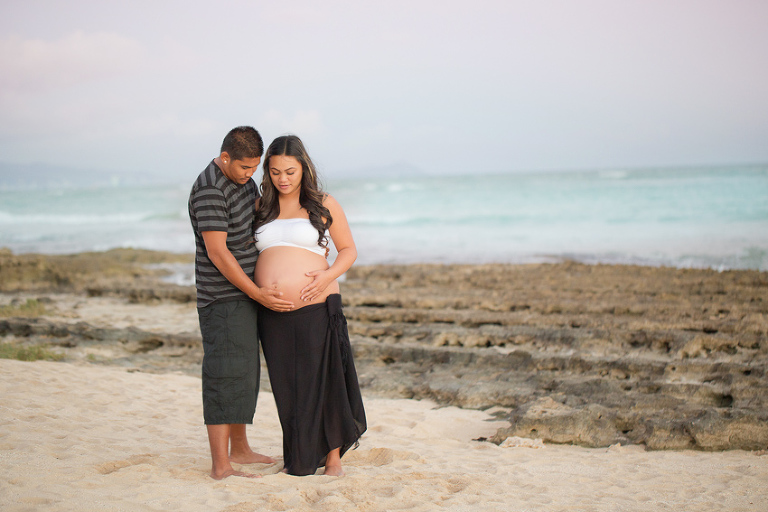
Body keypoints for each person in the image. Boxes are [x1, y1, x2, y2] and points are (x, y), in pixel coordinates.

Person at [254, 135, 367, 476]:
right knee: (287, 384)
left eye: (290, 170)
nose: (283, 179)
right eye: (274, 172)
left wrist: (326, 275)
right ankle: (301, 456)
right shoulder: (261, 207)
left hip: (317, 304)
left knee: (325, 378)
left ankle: (333, 458)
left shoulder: (324, 202)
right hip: (271, 312)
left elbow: (348, 250)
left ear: (304, 167)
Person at [188, 126, 293, 480]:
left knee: (245, 374)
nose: (250, 175)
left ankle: (241, 449)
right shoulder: (209, 189)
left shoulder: (241, 181)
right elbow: (218, 253)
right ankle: (221, 466)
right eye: (244, 168)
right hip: (223, 297)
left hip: (245, 294)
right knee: (223, 375)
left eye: (254, 168)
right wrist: (257, 292)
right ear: (225, 156)